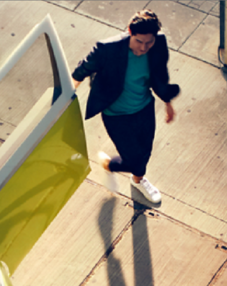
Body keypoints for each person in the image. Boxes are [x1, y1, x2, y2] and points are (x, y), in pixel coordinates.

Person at [72, 10, 180, 203]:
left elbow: (160, 76)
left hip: (144, 108)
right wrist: (67, 94)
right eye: (139, 41)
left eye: (149, 42)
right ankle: (110, 165)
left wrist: (168, 103)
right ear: (130, 31)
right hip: (116, 115)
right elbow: (82, 70)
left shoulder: (159, 43)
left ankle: (137, 181)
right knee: (134, 158)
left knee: (145, 152)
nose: (144, 47)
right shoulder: (108, 49)